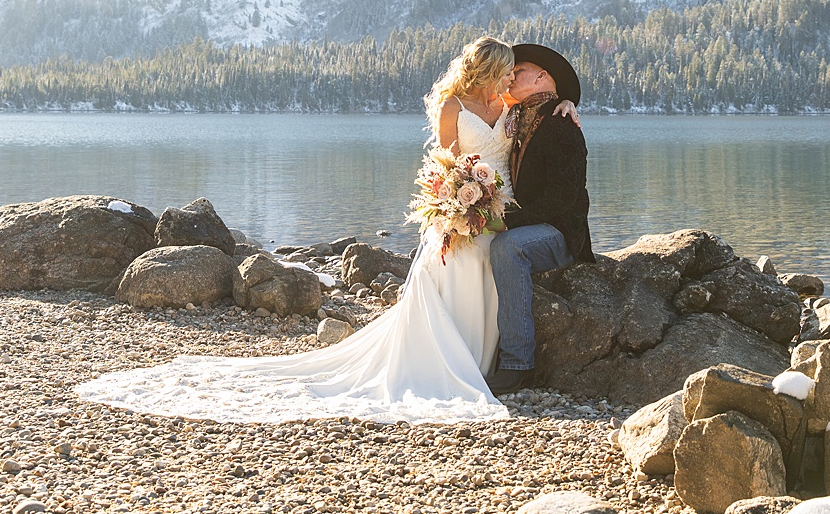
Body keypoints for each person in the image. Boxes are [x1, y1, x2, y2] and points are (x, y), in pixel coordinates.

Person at [72, 36, 573, 424]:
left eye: (514, 72)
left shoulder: (508, 107)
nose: (512, 77)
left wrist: (569, 105)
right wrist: (455, 198)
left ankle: (483, 361)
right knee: (452, 271)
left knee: (489, 270)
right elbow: (445, 165)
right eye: (506, 70)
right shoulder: (453, 108)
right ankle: (447, 363)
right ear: (486, 69)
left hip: (500, 209)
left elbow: (547, 115)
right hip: (462, 209)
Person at [484, 43, 594, 394]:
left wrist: (509, 223)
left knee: (506, 246)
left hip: (560, 231)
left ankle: (517, 363)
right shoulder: (518, 117)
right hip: (531, 222)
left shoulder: (562, 123)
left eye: (518, 71)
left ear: (542, 77)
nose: (510, 77)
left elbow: (563, 198)